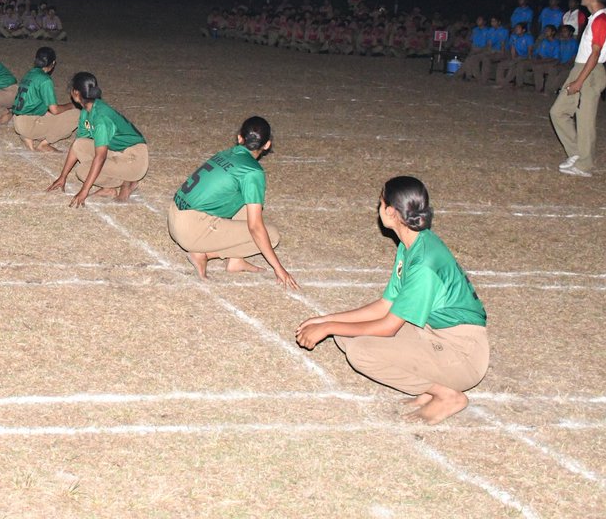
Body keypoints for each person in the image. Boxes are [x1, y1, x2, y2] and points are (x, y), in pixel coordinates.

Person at [296, 176, 488, 425]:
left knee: (361, 353)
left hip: (462, 354)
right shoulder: (412, 243)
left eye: (379, 202)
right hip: (432, 334)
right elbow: (386, 305)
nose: (377, 209)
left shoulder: (424, 262)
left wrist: (328, 327)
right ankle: (430, 387)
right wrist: (326, 319)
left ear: (390, 211)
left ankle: (447, 396)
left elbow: (388, 326)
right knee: (347, 335)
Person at [167, 116, 298, 287]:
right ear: (267, 145)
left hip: (175, 215)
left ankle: (236, 261)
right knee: (271, 235)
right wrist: (279, 268)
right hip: (191, 229)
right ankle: (203, 255)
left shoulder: (226, 153)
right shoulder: (252, 171)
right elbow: (255, 227)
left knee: (247, 201)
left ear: (239, 138)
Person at [46, 72, 148, 206]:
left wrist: (84, 191)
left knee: (82, 172)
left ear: (76, 93)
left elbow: (100, 157)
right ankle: (109, 189)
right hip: (118, 152)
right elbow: (78, 146)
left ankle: (127, 181)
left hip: (134, 159)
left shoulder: (101, 119)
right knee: (80, 144)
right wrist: (62, 177)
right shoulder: (87, 110)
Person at [550, 0, 606, 177]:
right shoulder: (594, 19)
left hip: (590, 71)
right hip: (581, 68)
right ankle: (577, 153)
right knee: (558, 111)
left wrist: (579, 81)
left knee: (584, 119)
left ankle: (585, 165)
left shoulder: (602, 20)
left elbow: (595, 55)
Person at [11, 47, 79, 151]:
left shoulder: (29, 73)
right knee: (76, 115)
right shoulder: (45, 80)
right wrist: (71, 105)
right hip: (29, 123)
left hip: (17, 120)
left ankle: (27, 136)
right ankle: (43, 144)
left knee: (48, 114)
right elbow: (55, 110)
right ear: (53, 63)